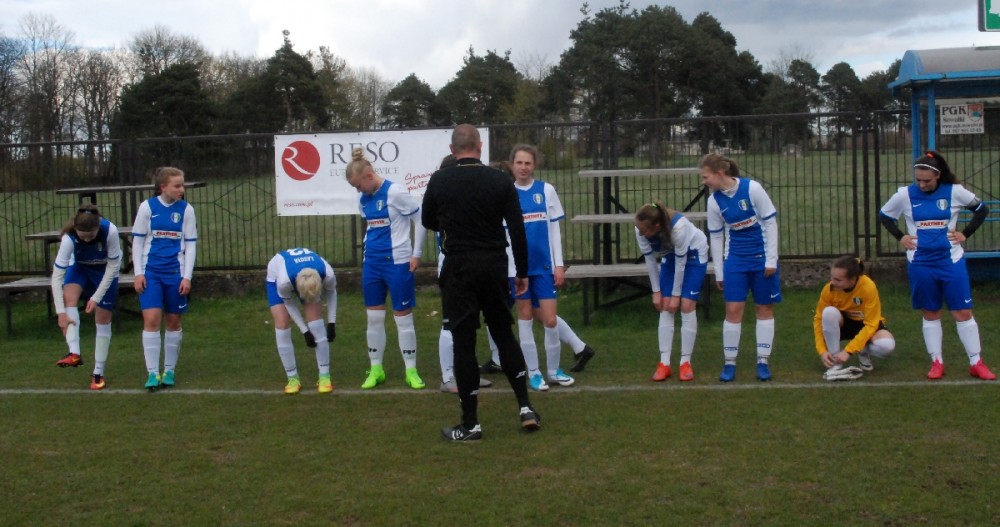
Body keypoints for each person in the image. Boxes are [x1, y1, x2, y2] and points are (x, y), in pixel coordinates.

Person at [422, 124, 540, 442]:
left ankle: (471, 423)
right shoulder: (500, 180)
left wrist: (453, 221)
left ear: (452, 149)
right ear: (480, 146)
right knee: (503, 333)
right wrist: (522, 272)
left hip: (459, 267)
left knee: (464, 341)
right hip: (494, 265)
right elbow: (517, 229)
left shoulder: (439, 180)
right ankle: (525, 407)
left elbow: (428, 220)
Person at [879, 150, 996, 380]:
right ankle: (937, 362)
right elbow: (885, 215)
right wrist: (901, 236)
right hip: (920, 263)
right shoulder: (904, 195)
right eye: (918, 180)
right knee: (931, 312)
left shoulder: (955, 192)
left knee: (963, 312)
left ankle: (976, 362)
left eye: (927, 180)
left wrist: (965, 233)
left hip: (951, 262)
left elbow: (981, 209)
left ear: (938, 176)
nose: (922, 185)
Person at [479, 159, 596, 379]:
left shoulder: (525, 194)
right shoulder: (501, 198)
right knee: (529, 311)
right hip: (513, 267)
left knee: (502, 312)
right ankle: (579, 347)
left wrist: (557, 264)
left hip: (517, 268)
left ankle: (501, 359)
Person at [510, 144, 595, 391]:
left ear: (534, 165)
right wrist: (512, 269)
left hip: (544, 267)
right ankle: (534, 373)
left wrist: (558, 264)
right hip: (518, 270)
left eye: (528, 163)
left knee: (549, 319)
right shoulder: (507, 193)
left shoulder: (546, 190)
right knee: (525, 318)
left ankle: (554, 371)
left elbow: (554, 231)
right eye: (519, 162)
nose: (523, 167)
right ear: (512, 165)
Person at [345, 147, 427, 390]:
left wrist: (416, 254)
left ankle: (411, 370)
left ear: (369, 176)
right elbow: (372, 228)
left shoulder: (395, 192)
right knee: (374, 318)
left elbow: (420, 219)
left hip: (398, 263)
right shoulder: (363, 199)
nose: (358, 191)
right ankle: (376, 369)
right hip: (372, 263)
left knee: (403, 317)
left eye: (359, 185)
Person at [701, 153, 780, 383]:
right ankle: (730, 363)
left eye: (706, 177)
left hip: (761, 259)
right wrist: (719, 271)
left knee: (763, 309)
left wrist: (771, 260)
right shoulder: (714, 201)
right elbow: (716, 236)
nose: (704, 181)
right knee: (733, 310)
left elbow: (770, 223)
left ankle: (763, 361)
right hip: (735, 259)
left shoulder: (752, 188)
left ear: (719, 173)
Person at [132, 166, 197, 391]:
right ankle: (152, 373)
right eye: (177, 186)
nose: (181, 189)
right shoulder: (147, 207)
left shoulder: (186, 210)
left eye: (182, 185)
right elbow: (138, 242)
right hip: (151, 273)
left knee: (173, 321)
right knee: (151, 320)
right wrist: (138, 273)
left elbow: (190, 245)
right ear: (163, 187)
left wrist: (187, 277)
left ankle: (169, 370)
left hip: (175, 274)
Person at [433, 154, 492, 394]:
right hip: (451, 264)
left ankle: (468, 373)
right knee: (450, 321)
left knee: (468, 321)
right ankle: (448, 376)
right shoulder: (444, 199)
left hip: (467, 264)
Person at [633, 200, 709, 382]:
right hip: (670, 256)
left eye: (645, 231)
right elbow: (650, 261)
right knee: (665, 305)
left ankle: (685, 362)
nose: (641, 234)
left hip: (694, 255)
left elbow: (681, 264)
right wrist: (656, 291)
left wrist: (676, 295)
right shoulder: (640, 229)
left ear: (657, 226)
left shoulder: (679, 228)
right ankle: (664, 363)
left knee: (687, 305)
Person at [51, 204, 123, 390]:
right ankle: (74, 353)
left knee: (103, 318)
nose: (87, 239)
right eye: (83, 236)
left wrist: (96, 297)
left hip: (105, 271)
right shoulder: (69, 238)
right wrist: (60, 313)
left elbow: (113, 267)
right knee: (69, 299)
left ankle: (98, 372)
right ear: (76, 229)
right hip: (80, 268)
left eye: (91, 236)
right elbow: (57, 277)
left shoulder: (110, 231)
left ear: (98, 227)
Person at [265, 247, 338, 394]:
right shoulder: (284, 282)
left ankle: (325, 377)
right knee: (282, 324)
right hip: (276, 276)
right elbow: (289, 304)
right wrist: (305, 331)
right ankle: (292, 378)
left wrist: (332, 323)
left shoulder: (327, 273)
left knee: (316, 324)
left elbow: (331, 293)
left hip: (306, 275)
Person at [813, 255, 896, 378]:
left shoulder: (868, 287)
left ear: (852, 280)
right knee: (828, 313)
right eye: (832, 277)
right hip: (844, 323)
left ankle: (863, 351)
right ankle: (835, 362)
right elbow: (818, 319)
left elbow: (872, 323)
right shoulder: (828, 289)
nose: (833, 282)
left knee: (887, 346)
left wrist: (848, 351)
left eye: (838, 280)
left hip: (866, 324)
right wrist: (822, 351)